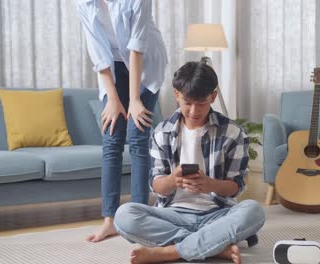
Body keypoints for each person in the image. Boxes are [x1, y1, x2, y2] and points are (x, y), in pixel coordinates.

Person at [113, 62, 265, 264]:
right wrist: (172, 180)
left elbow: (236, 186)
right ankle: (215, 246)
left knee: (253, 210)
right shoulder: (161, 132)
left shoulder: (233, 133)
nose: (194, 110)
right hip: (173, 214)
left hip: (217, 214)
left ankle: (169, 252)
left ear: (213, 96)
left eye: (201, 103)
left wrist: (210, 185)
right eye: (188, 102)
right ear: (177, 94)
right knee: (124, 215)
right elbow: (157, 186)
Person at [76, 0, 168, 242]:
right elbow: (97, 50)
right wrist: (113, 98)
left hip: (145, 62)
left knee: (138, 137)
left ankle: (138, 218)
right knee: (111, 138)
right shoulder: (83, 2)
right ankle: (110, 220)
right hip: (112, 67)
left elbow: (137, 46)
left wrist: (135, 98)